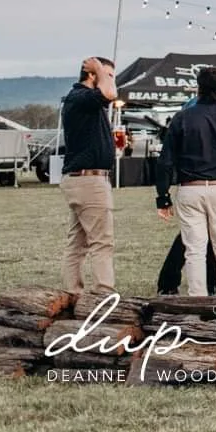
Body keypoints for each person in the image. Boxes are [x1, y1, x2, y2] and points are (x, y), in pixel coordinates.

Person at [154, 66, 216, 298]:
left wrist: (162, 197)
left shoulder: (182, 118)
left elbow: (165, 161)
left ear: (198, 88)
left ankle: (197, 298)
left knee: (194, 249)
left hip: (190, 187)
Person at [59, 55, 120, 295]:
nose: (111, 81)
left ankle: (73, 292)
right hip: (88, 180)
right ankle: (105, 293)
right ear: (93, 75)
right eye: (108, 75)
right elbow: (109, 93)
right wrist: (98, 69)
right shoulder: (81, 97)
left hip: (82, 179)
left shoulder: (83, 100)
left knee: (78, 242)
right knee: (102, 241)